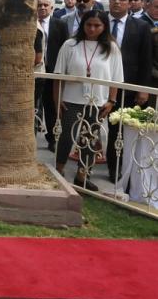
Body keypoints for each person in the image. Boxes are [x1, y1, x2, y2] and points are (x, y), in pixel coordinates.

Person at [52, 10, 122, 190]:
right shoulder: (70, 45)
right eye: (88, 25)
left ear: (104, 27)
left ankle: (82, 175)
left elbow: (116, 77)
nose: (92, 29)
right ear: (83, 25)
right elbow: (58, 75)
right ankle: (58, 171)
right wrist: (57, 99)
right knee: (66, 136)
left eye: (97, 26)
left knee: (90, 139)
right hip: (71, 100)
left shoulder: (111, 48)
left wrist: (111, 101)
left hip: (98, 101)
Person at [103, 0, 152, 185]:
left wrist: (142, 88)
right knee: (93, 127)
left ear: (130, 3)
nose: (117, 2)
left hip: (127, 86)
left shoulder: (140, 27)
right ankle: (84, 168)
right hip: (99, 83)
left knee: (119, 129)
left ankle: (117, 171)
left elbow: (146, 60)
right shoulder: (98, 22)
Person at [35, 0, 56, 151]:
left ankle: (52, 139)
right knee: (35, 106)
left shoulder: (59, 24)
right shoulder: (30, 26)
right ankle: (32, 136)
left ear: (51, 8)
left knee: (51, 106)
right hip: (37, 72)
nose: (42, 7)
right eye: (39, 5)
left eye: (45, 5)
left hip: (54, 71)